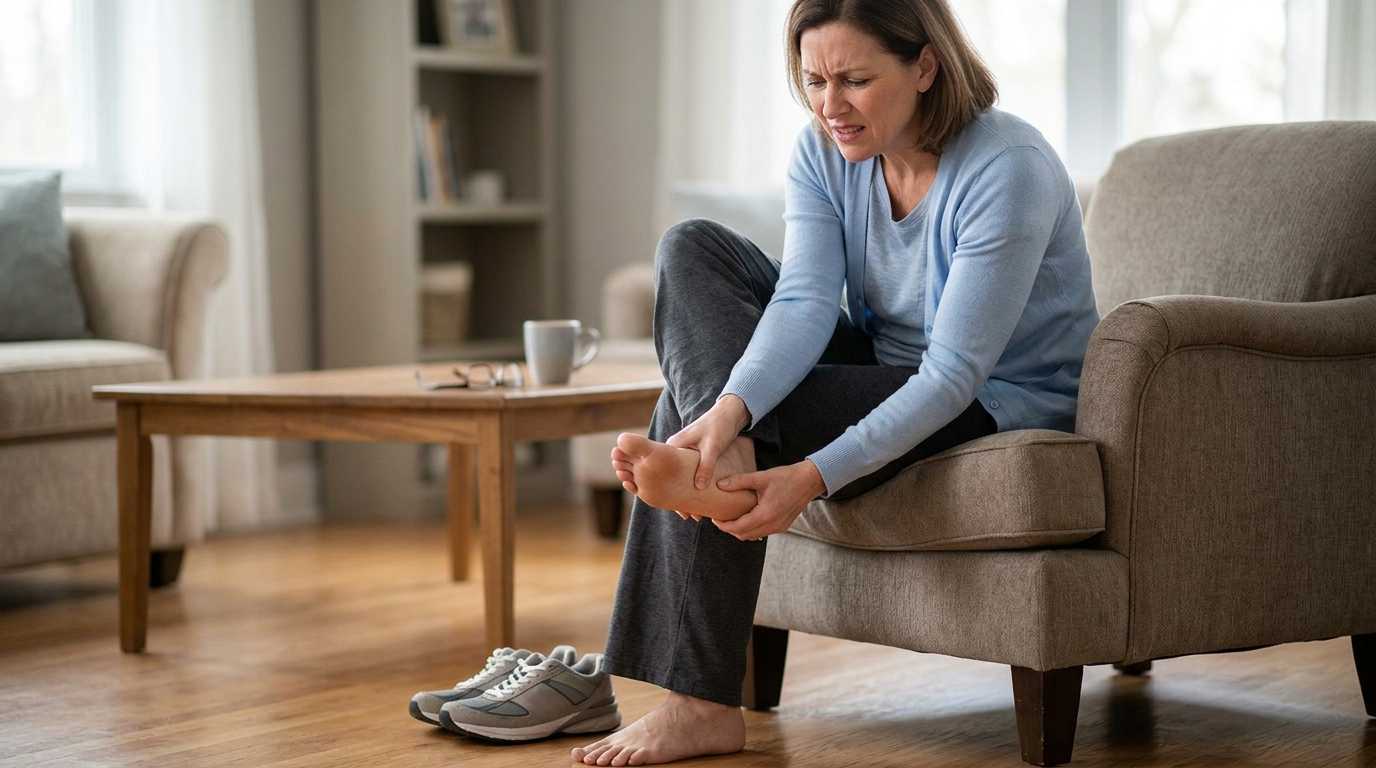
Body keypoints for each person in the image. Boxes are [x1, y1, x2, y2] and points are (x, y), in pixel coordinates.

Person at [571, 0, 1100, 764]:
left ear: (925, 66)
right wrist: (730, 417)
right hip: (882, 361)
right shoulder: (825, 149)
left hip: (992, 394)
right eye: (813, 80)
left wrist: (810, 478)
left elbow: (952, 373)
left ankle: (699, 706)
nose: (830, 106)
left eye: (854, 80)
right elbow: (805, 301)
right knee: (693, 250)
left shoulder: (1005, 167)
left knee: (669, 410)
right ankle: (729, 459)